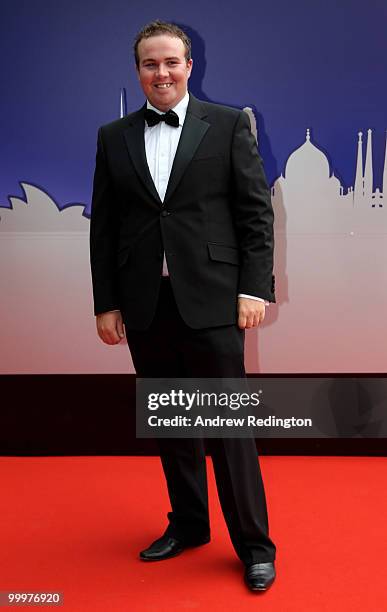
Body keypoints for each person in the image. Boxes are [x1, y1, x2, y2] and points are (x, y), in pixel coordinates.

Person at [90, 20, 276, 591]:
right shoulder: (113, 135)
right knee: (172, 422)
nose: (161, 73)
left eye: (171, 62)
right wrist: (106, 302)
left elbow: (255, 215)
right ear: (138, 71)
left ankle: (255, 546)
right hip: (146, 304)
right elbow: (106, 228)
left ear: (189, 66)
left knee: (226, 428)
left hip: (215, 301)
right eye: (150, 64)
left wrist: (254, 289)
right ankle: (190, 525)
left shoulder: (226, 125)